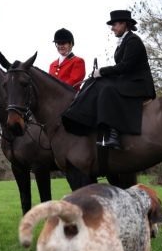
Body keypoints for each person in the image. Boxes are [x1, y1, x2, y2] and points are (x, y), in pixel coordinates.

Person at [61, 9, 156, 150]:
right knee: (95, 82)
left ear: (124, 24)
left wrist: (102, 72)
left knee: (107, 90)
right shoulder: (123, 42)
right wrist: (100, 74)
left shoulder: (133, 41)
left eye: (114, 25)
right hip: (128, 81)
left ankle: (113, 134)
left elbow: (125, 67)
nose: (112, 28)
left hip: (139, 85)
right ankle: (80, 116)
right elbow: (121, 69)